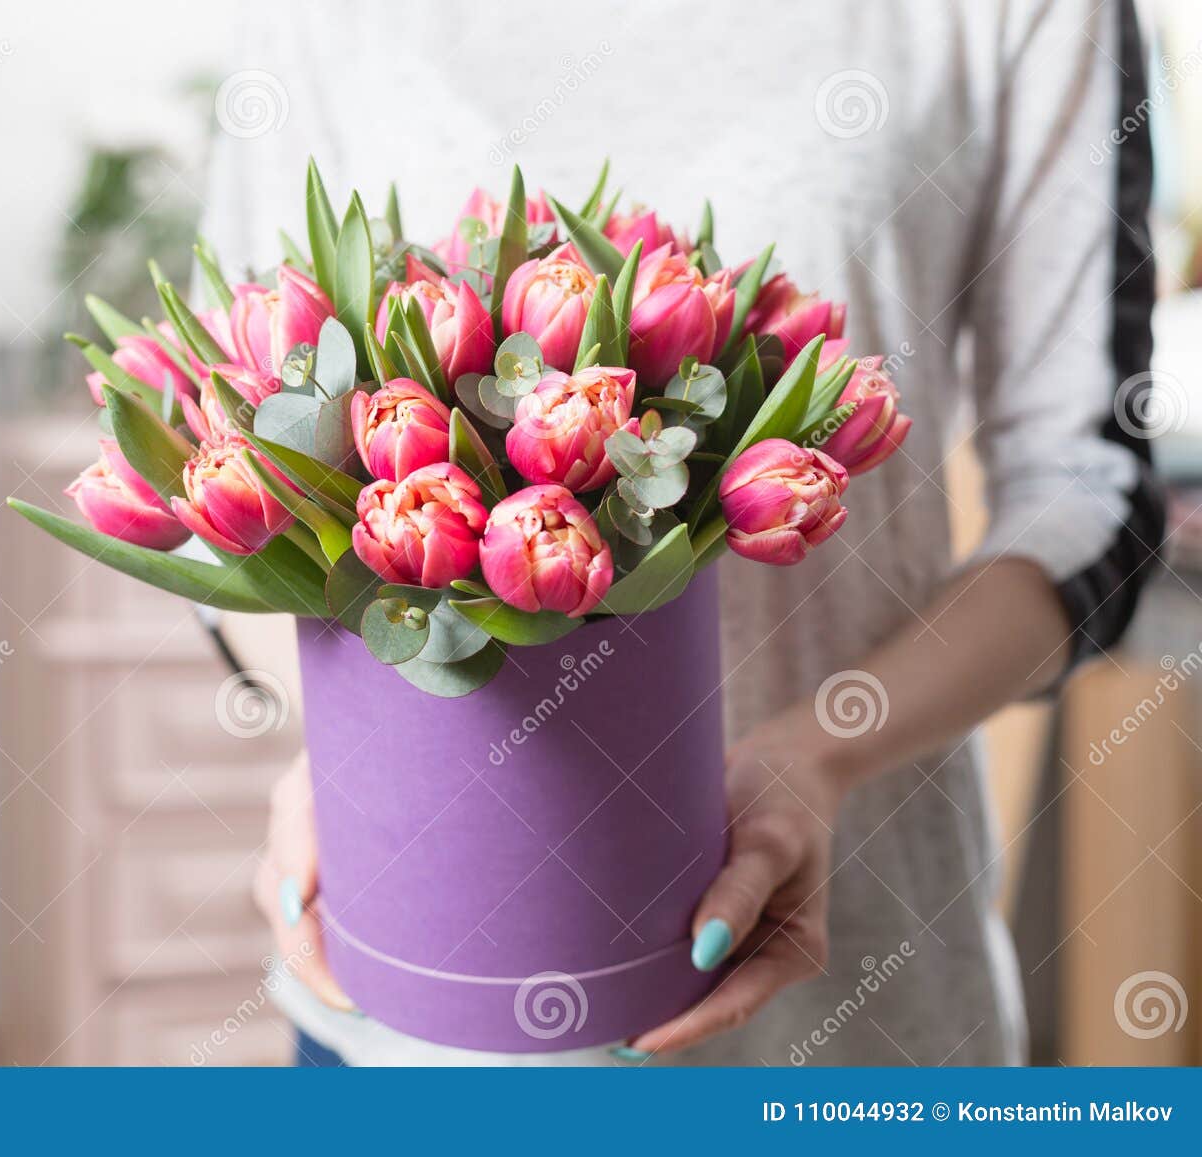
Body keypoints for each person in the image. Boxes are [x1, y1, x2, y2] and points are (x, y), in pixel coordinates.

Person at [200, 0, 1166, 1065]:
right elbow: (234, 452)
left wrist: (823, 750)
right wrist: (347, 754)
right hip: (406, 1015)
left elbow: (1089, 495)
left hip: (854, 1014)